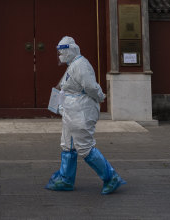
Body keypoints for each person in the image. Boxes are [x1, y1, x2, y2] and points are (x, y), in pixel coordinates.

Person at [45, 36, 126, 194]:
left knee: (84, 147)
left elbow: (90, 86)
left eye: (63, 52)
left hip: (81, 111)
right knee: (67, 144)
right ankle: (65, 179)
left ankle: (111, 177)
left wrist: (100, 95)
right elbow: (63, 86)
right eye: (59, 52)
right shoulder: (73, 65)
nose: (60, 55)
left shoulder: (81, 65)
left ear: (70, 50)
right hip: (71, 111)